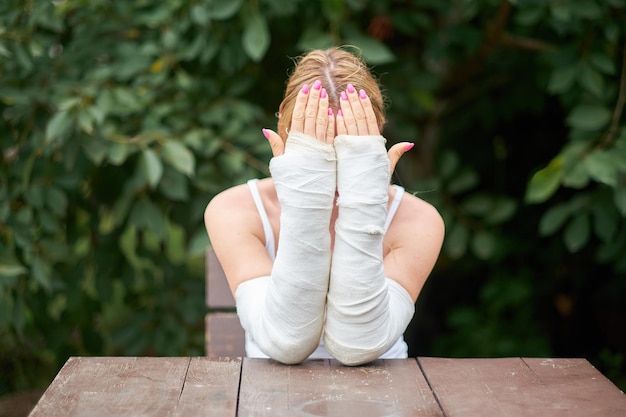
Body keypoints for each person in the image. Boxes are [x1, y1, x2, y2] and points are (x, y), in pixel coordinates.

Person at [205, 47, 444, 366]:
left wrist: (363, 200)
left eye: (348, 151)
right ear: (282, 127)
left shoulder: (418, 221)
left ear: (376, 131)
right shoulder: (234, 210)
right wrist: (306, 203)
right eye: (316, 150)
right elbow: (285, 342)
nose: (331, 173)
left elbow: (359, 344)